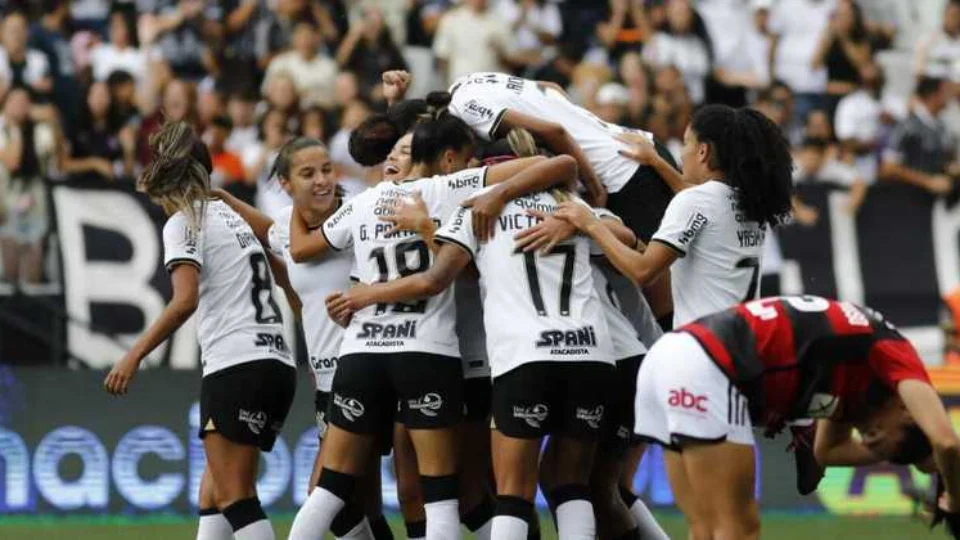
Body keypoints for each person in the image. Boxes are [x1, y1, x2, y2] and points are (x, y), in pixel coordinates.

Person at [286, 110, 570, 540]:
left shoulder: (362, 201)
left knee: (329, 489)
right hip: (426, 352)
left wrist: (293, 195)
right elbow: (548, 165)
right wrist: (498, 194)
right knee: (439, 496)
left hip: (362, 352)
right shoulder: (447, 188)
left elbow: (303, 247)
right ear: (444, 158)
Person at [324, 165, 626, 540]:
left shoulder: (478, 207)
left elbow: (437, 277)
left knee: (513, 492)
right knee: (571, 483)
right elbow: (629, 239)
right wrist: (586, 225)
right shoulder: (570, 205)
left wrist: (421, 232)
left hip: (525, 355)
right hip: (590, 353)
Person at [103, 121, 296, 540]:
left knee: (235, 497)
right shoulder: (234, 214)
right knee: (213, 493)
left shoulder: (183, 222)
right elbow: (283, 262)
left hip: (236, 364)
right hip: (276, 362)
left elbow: (184, 300)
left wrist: (133, 355)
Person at [634, 295, 960, 540]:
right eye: (878, 433)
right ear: (907, 410)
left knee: (705, 530)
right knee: (739, 530)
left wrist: (898, 452)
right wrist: (955, 501)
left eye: (870, 440)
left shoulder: (858, 380)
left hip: (666, 357)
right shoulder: (895, 355)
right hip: (708, 366)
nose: (868, 437)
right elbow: (946, 443)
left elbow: (827, 452)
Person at [214, 137, 395, 539]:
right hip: (328, 383)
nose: (322, 180)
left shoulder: (357, 216)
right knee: (361, 502)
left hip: (366, 374)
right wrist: (224, 199)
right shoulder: (289, 225)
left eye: (326, 170)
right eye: (308, 173)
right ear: (285, 183)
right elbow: (270, 231)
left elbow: (298, 250)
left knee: (324, 493)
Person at [547, 104, 793, 329]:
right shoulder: (748, 201)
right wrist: (655, 161)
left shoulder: (695, 201)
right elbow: (696, 196)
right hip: (745, 338)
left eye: (686, 143)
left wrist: (591, 223)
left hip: (705, 342)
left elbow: (643, 271)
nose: (682, 153)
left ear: (703, 151)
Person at [0, 87, 55, 284]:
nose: (20, 106)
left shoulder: (39, 130)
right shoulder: (3, 129)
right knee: (9, 263)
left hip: (34, 198)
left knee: (35, 256)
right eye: (15, 101)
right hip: (5, 200)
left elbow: (57, 161)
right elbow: (13, 161)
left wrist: (53, 121)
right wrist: (16, 129)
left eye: (24, 102)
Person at [880, 76, 958, 196]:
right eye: (945, 92)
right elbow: (888, 168)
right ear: (933, 95)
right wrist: (927, 182)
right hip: (903, 198)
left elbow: (943, 162)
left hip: (930, 200)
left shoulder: (942, 128)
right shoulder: (907, 125)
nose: (950, 96)